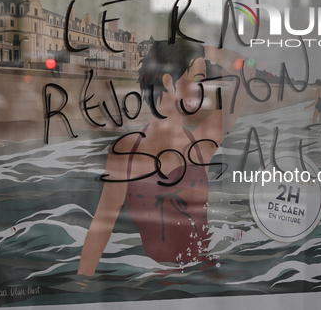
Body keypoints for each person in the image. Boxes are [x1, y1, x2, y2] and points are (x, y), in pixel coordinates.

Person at [78, 39, 253, 274]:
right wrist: (82, 283)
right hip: (154, 286)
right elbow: (101, 227)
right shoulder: (127, 152)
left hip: (205, 276)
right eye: (198, 80)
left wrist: (205, 51)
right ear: (168, 81)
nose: (202, 88)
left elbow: (247, 72)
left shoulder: (200, 143)